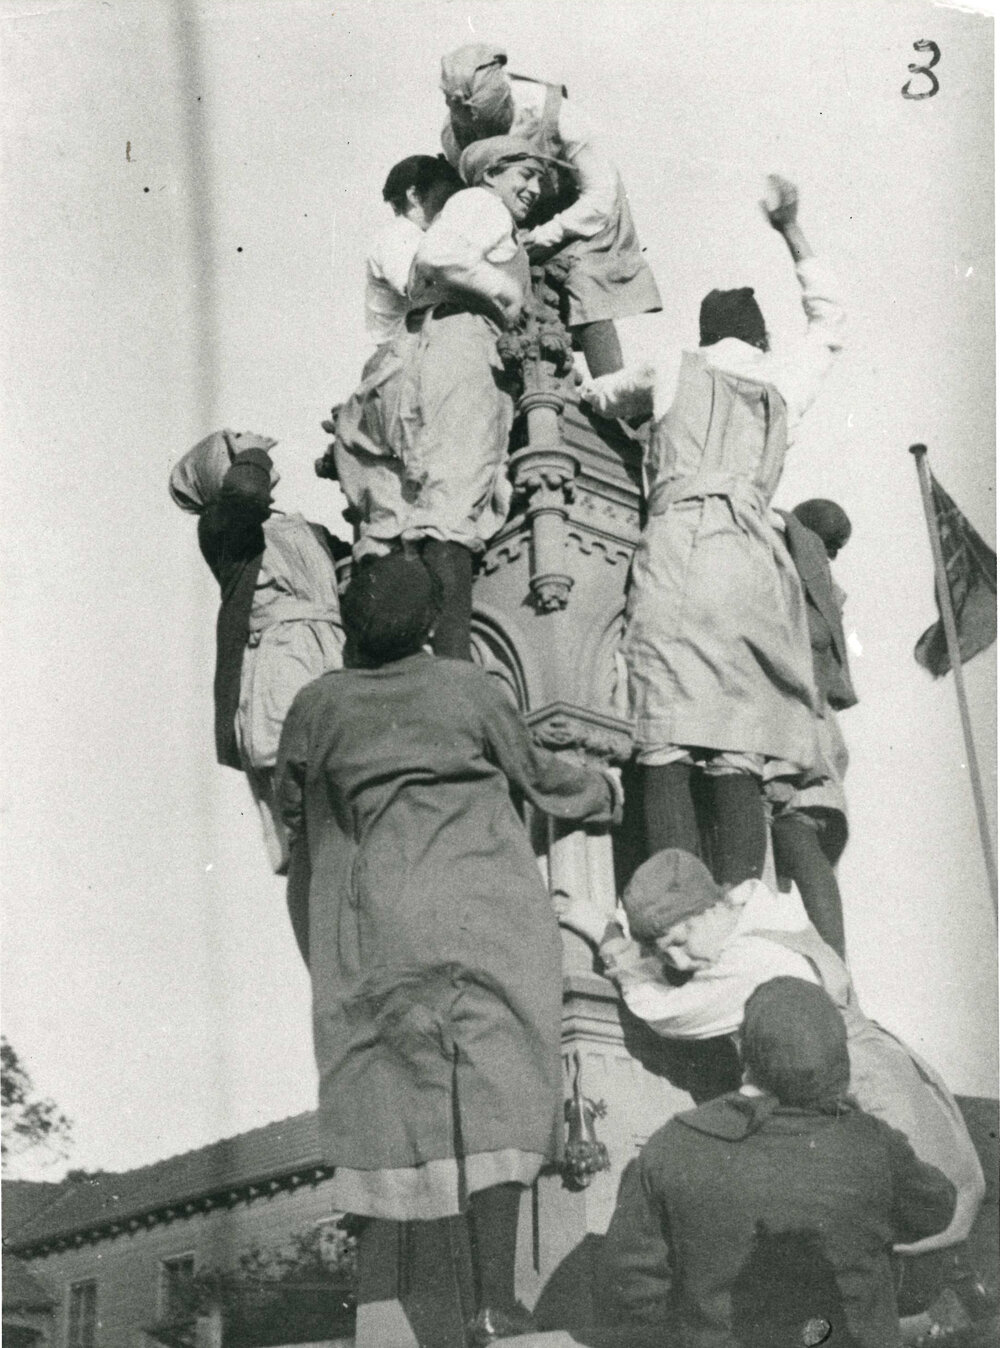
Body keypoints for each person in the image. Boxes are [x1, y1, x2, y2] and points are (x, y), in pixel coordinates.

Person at [275, 551, 621, 1345]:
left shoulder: (317, 704)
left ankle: (388, 1307)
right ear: (431, 622)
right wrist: (606, 791)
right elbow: (540, 776)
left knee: (384, 1081)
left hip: (382, 915)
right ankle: (496, 1302)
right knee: (499, 1077)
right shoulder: (468, 685)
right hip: (484, 908)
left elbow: (292, 810)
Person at [580, 176, 845, 887]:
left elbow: (601, 396)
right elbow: (830, 323)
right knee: (738, 747)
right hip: (755, 568)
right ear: (757, 337)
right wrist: (791, 228)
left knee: (664, 735)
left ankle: (678, 913)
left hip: (680, 552)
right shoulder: (783, 380)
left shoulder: (673, 367)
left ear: (705, 336)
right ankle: (742, 918)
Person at [558, 848, 984, 1257]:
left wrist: (608, 937)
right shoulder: (764, 911)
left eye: (681, 940)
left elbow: (663, 1010)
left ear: (709, 909)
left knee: (891, 1217)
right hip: (885, 1071)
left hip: (865, 1094)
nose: (679, 961)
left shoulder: (751, 961)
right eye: (664, 951)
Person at [603, 976, 958, 1348]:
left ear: (744, 1051)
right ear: (835, 1057)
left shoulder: (673, 1143)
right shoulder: (871, 1142)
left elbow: (629, 1285)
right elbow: (937, 1209)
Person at [334, 135, 549, 660]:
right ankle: (450, 666)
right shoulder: (476, 206)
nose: (535, 188)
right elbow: (435, 259)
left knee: (402, 523)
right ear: (493, 172)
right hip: (443, 355)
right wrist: (507, 293)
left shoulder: (464, 216)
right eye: (526, 174)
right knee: (450, 509)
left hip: (406, 372)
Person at [169, 429, 345, 878]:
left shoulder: (304, 529)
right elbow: (246, 493)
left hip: (332, 655)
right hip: (282, 663)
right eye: (237, 456)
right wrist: (254, 452)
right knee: (306, 803)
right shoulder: (222, 529)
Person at [439, 43, 662, 377]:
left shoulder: (555, 111)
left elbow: (601, 190)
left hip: (580, 206)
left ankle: (612, 393)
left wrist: (551, 232)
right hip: (516, 211)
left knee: (585, 284)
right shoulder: (454, 137)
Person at [770, 499, 858, 958]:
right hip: (824, 761)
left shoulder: (802, 588)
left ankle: (835, 970)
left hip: (809, 754)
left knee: (794, 836)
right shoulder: (819, 591)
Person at [365, 154, 462, 347]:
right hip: (402, 358)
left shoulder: (417, 236)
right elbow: (416, 285)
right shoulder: (397, 235)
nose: (450, 205)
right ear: (414, 195)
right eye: (445, 196)